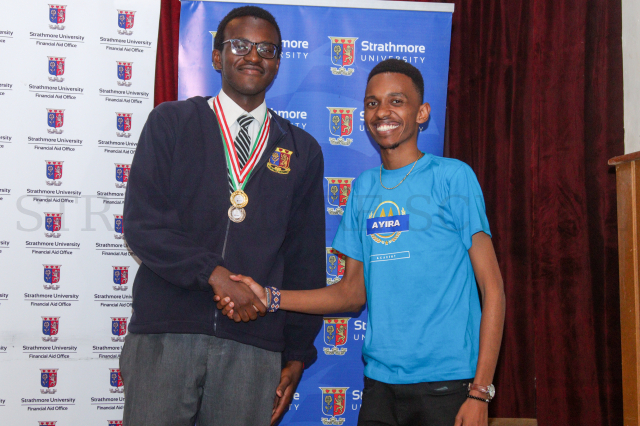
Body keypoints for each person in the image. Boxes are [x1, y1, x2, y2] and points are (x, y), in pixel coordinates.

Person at [217, 59, 506, 426]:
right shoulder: (363, 188)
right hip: (379, 387)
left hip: (449, 386)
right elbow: (351, 294)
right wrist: (269, 297)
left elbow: (493, 289)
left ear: (422, 113)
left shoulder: (453, 177)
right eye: (372, 103)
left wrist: (480, 391)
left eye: (396, 101)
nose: (382, 112)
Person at [121, 6, 325, 426]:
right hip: (167, 333)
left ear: (277, 64)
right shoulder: (172, 122)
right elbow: (143, 226)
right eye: (240, 45)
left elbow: (304, 258)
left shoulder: (302, 150)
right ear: (217, 56)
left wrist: (296, 352)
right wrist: (214, 275)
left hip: (254, 344)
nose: (253, 56)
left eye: (266, 49)